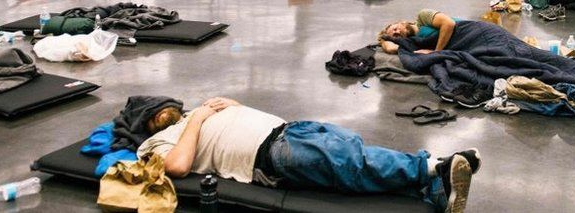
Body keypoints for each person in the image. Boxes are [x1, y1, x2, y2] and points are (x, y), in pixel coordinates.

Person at [137, 97, 477, 213]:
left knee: (355, 152)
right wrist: (197, 118)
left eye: (165, 106)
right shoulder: (158, 142)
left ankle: (433, 190)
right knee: (349, 163)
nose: (164, 111)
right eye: (155, 113)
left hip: (290, 128)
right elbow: (179, 167)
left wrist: (232, 105)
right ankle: (435, 166)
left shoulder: (193, 112)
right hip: (270, 155)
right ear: (148, 123)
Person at [379, 9, 456, 54]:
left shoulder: (422, 17)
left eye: (395, 29)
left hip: (463, 30)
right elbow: (390, 48)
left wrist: (436, 52)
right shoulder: (413, 42)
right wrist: (383, 40)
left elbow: (449, 24)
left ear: (402, 22)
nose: (398, 32)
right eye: (396, 35)